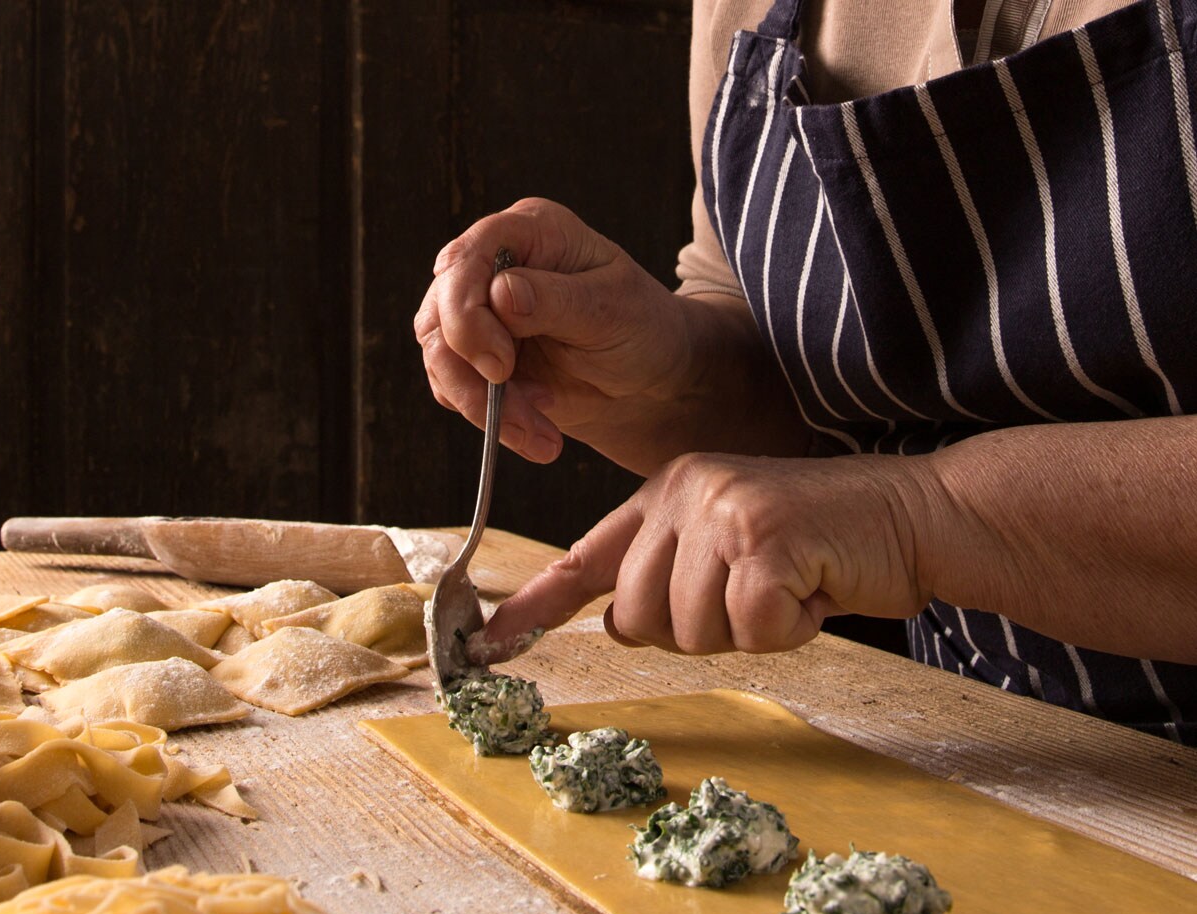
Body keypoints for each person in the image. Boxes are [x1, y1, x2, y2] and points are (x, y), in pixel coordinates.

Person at [415, 0, 1197, 743]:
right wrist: (673, 377)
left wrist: (918, 517)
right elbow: (799, 378)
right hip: (971, 740)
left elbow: (879, 504)